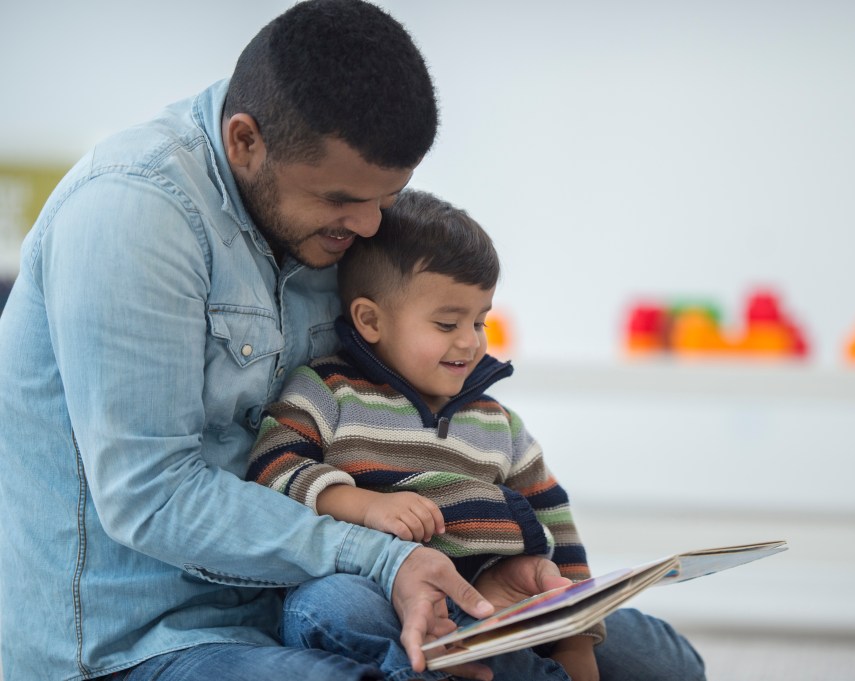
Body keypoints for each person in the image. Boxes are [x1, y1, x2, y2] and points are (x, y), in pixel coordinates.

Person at [0, 2, 510, 679]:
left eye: (385, 197)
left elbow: (381, 412)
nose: (366, 226)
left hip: (292, 605)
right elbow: (152, 495)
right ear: (245, 141)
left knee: (636, 649)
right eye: (337, 200)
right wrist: (383, 558)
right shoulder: (133, 212)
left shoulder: (331, 220)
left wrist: (498, 556)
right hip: (128, 643)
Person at [246, 189, 707, 681]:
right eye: (447, 323)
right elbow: (271, 469)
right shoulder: (327, 391)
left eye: (480, 320)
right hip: (379, 593)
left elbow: (558, 530)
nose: (469, 340)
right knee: (329, 607)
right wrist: (366, 505)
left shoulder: (498, 424)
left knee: (667, 659)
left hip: (500, 602)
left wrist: (576, 634)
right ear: (371, 320)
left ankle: (492, 657)